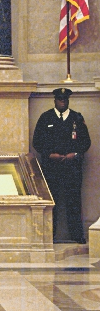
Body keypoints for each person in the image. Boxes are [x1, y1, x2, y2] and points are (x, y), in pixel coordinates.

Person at [32, 88, 91, 244]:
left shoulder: (77, 118)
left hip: (72, 167)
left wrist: (75, 154)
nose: (62, 102)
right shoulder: (46, 118)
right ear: (55, 100)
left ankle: (76, 235)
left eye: (65, 100)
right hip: (52, 167)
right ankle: (49, 236)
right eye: (59, 99)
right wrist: (49, 154)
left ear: (68, 101)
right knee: (52, 201)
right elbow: (37, 142)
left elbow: (86, 142)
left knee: (73, 201)